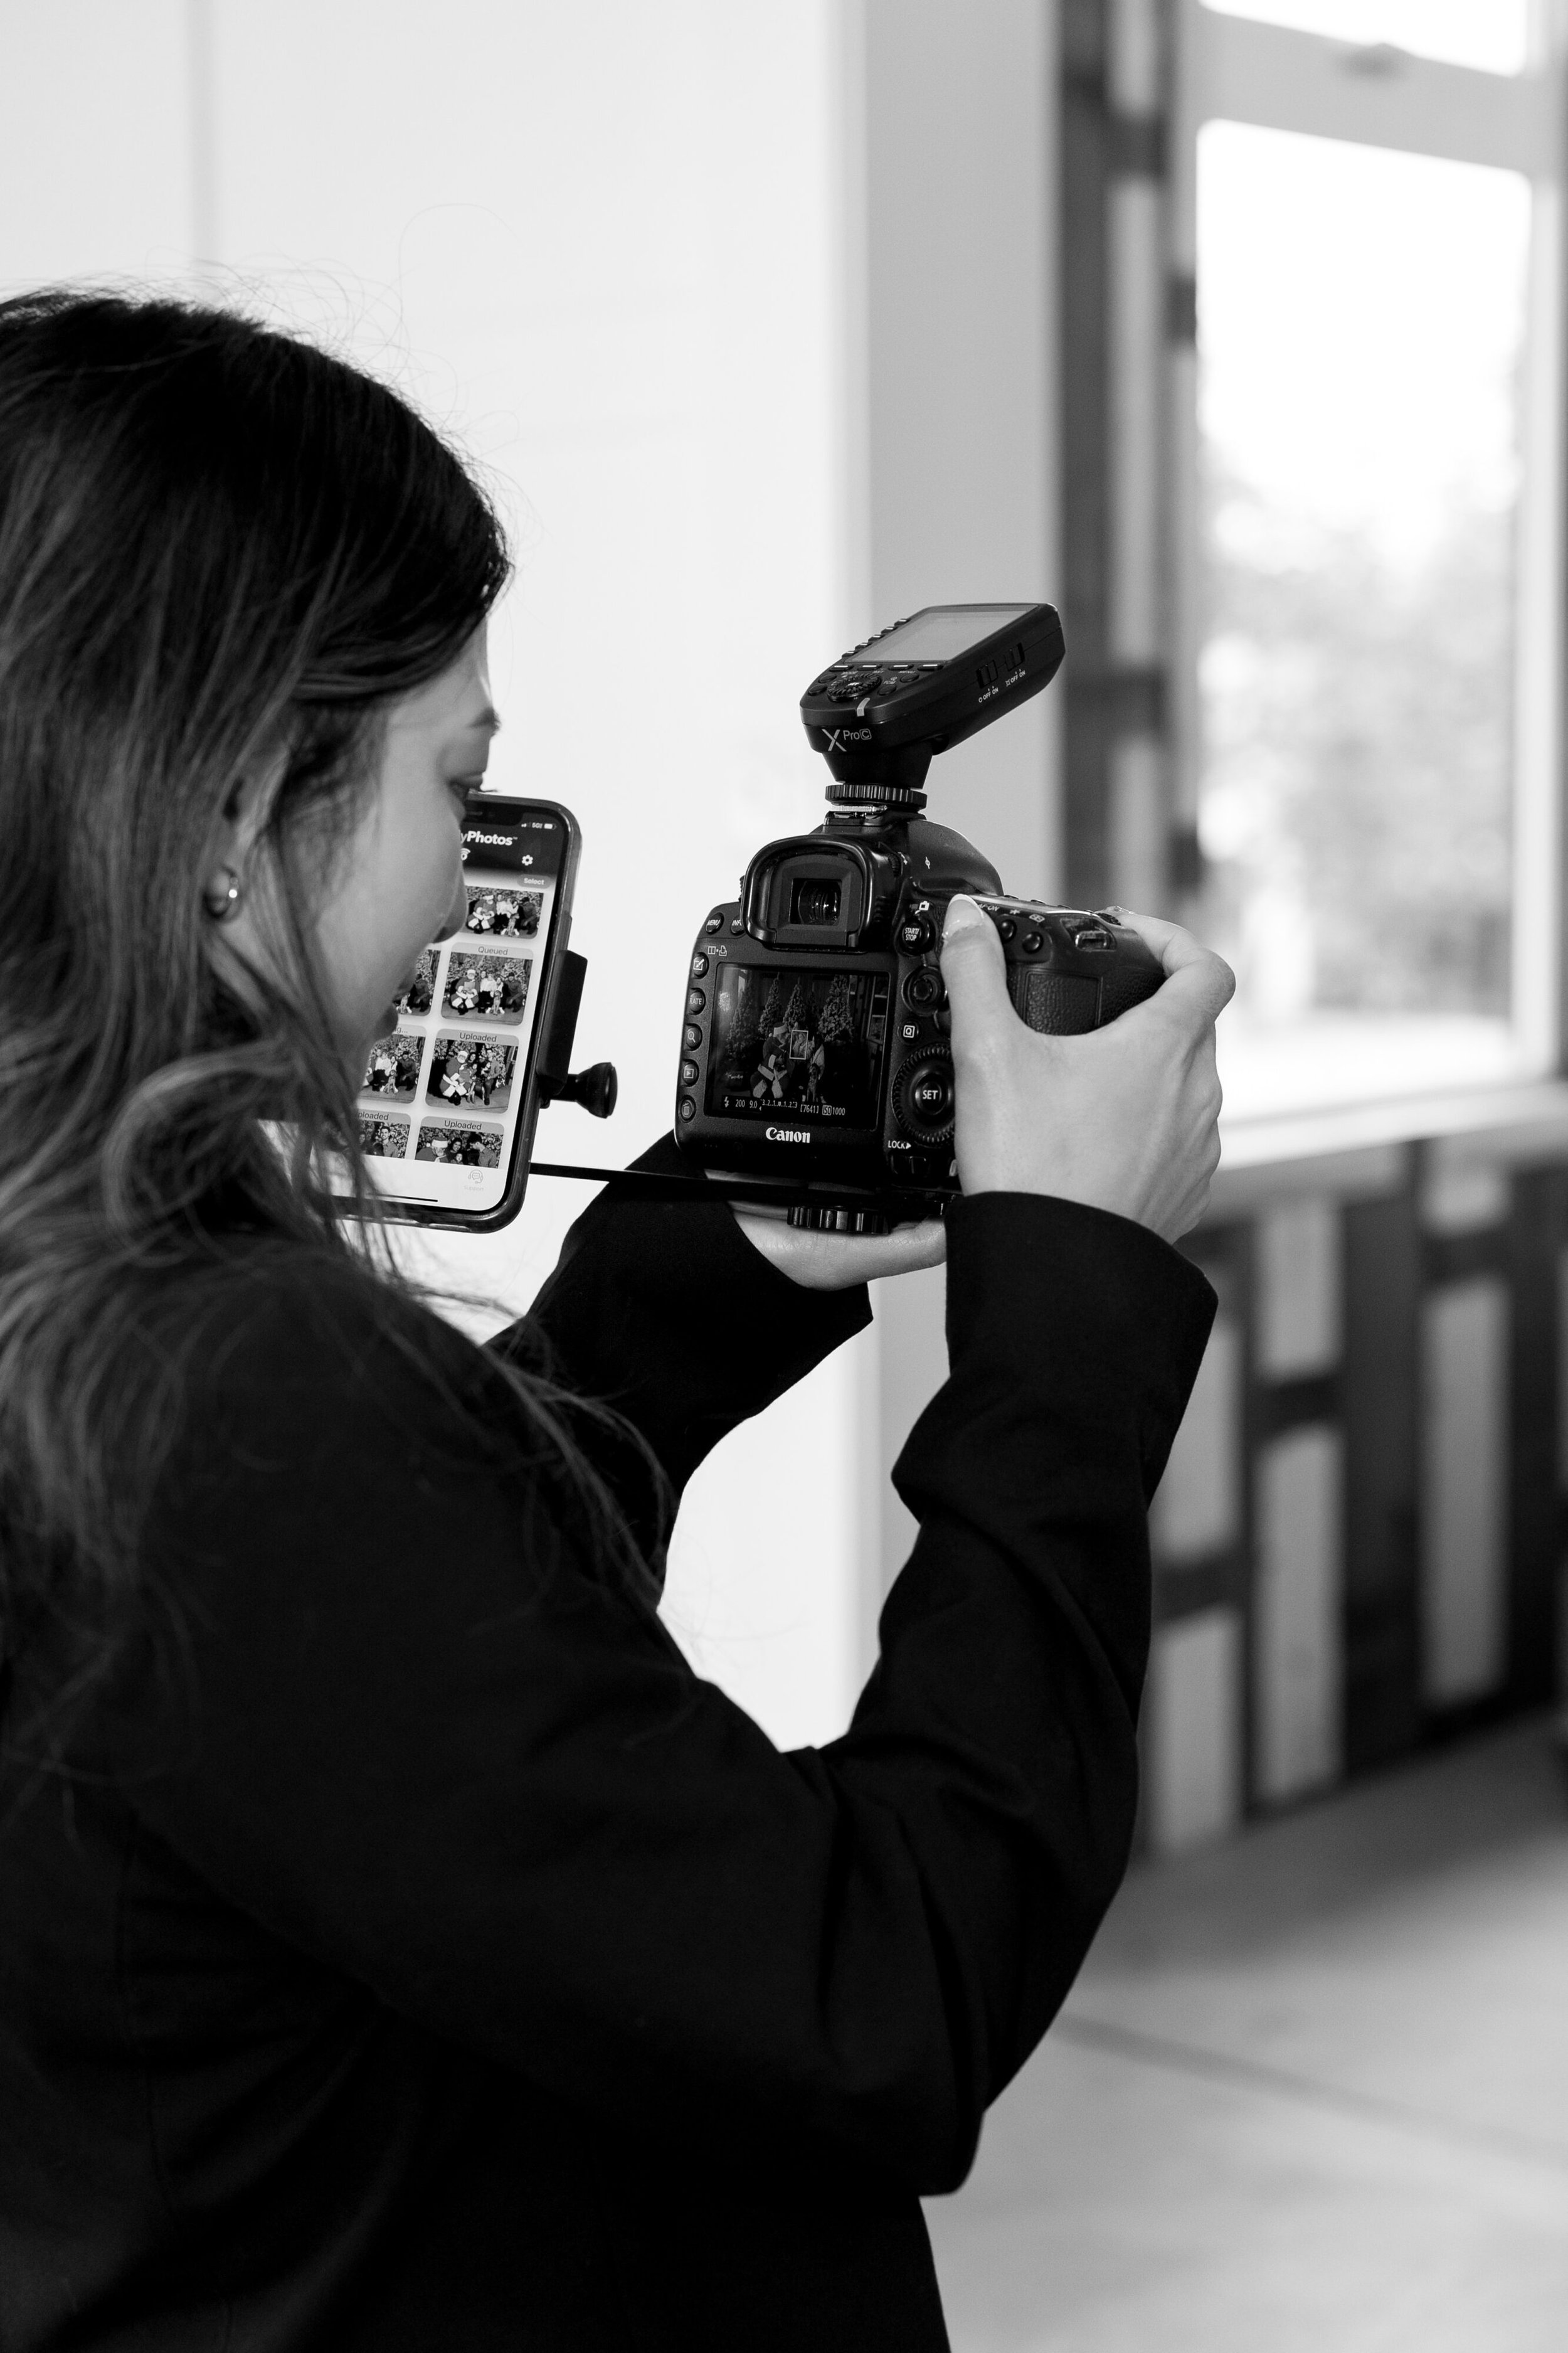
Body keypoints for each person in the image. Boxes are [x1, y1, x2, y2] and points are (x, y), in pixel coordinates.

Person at [0, 290, 1230, 2353]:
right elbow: (874, 2001)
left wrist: (690, 1287)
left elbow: (345, 1734)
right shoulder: (221, 1391)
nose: (472, 887)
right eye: (453, 791)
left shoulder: (105, 1341)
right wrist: (1070, 1308)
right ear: (229, 817)